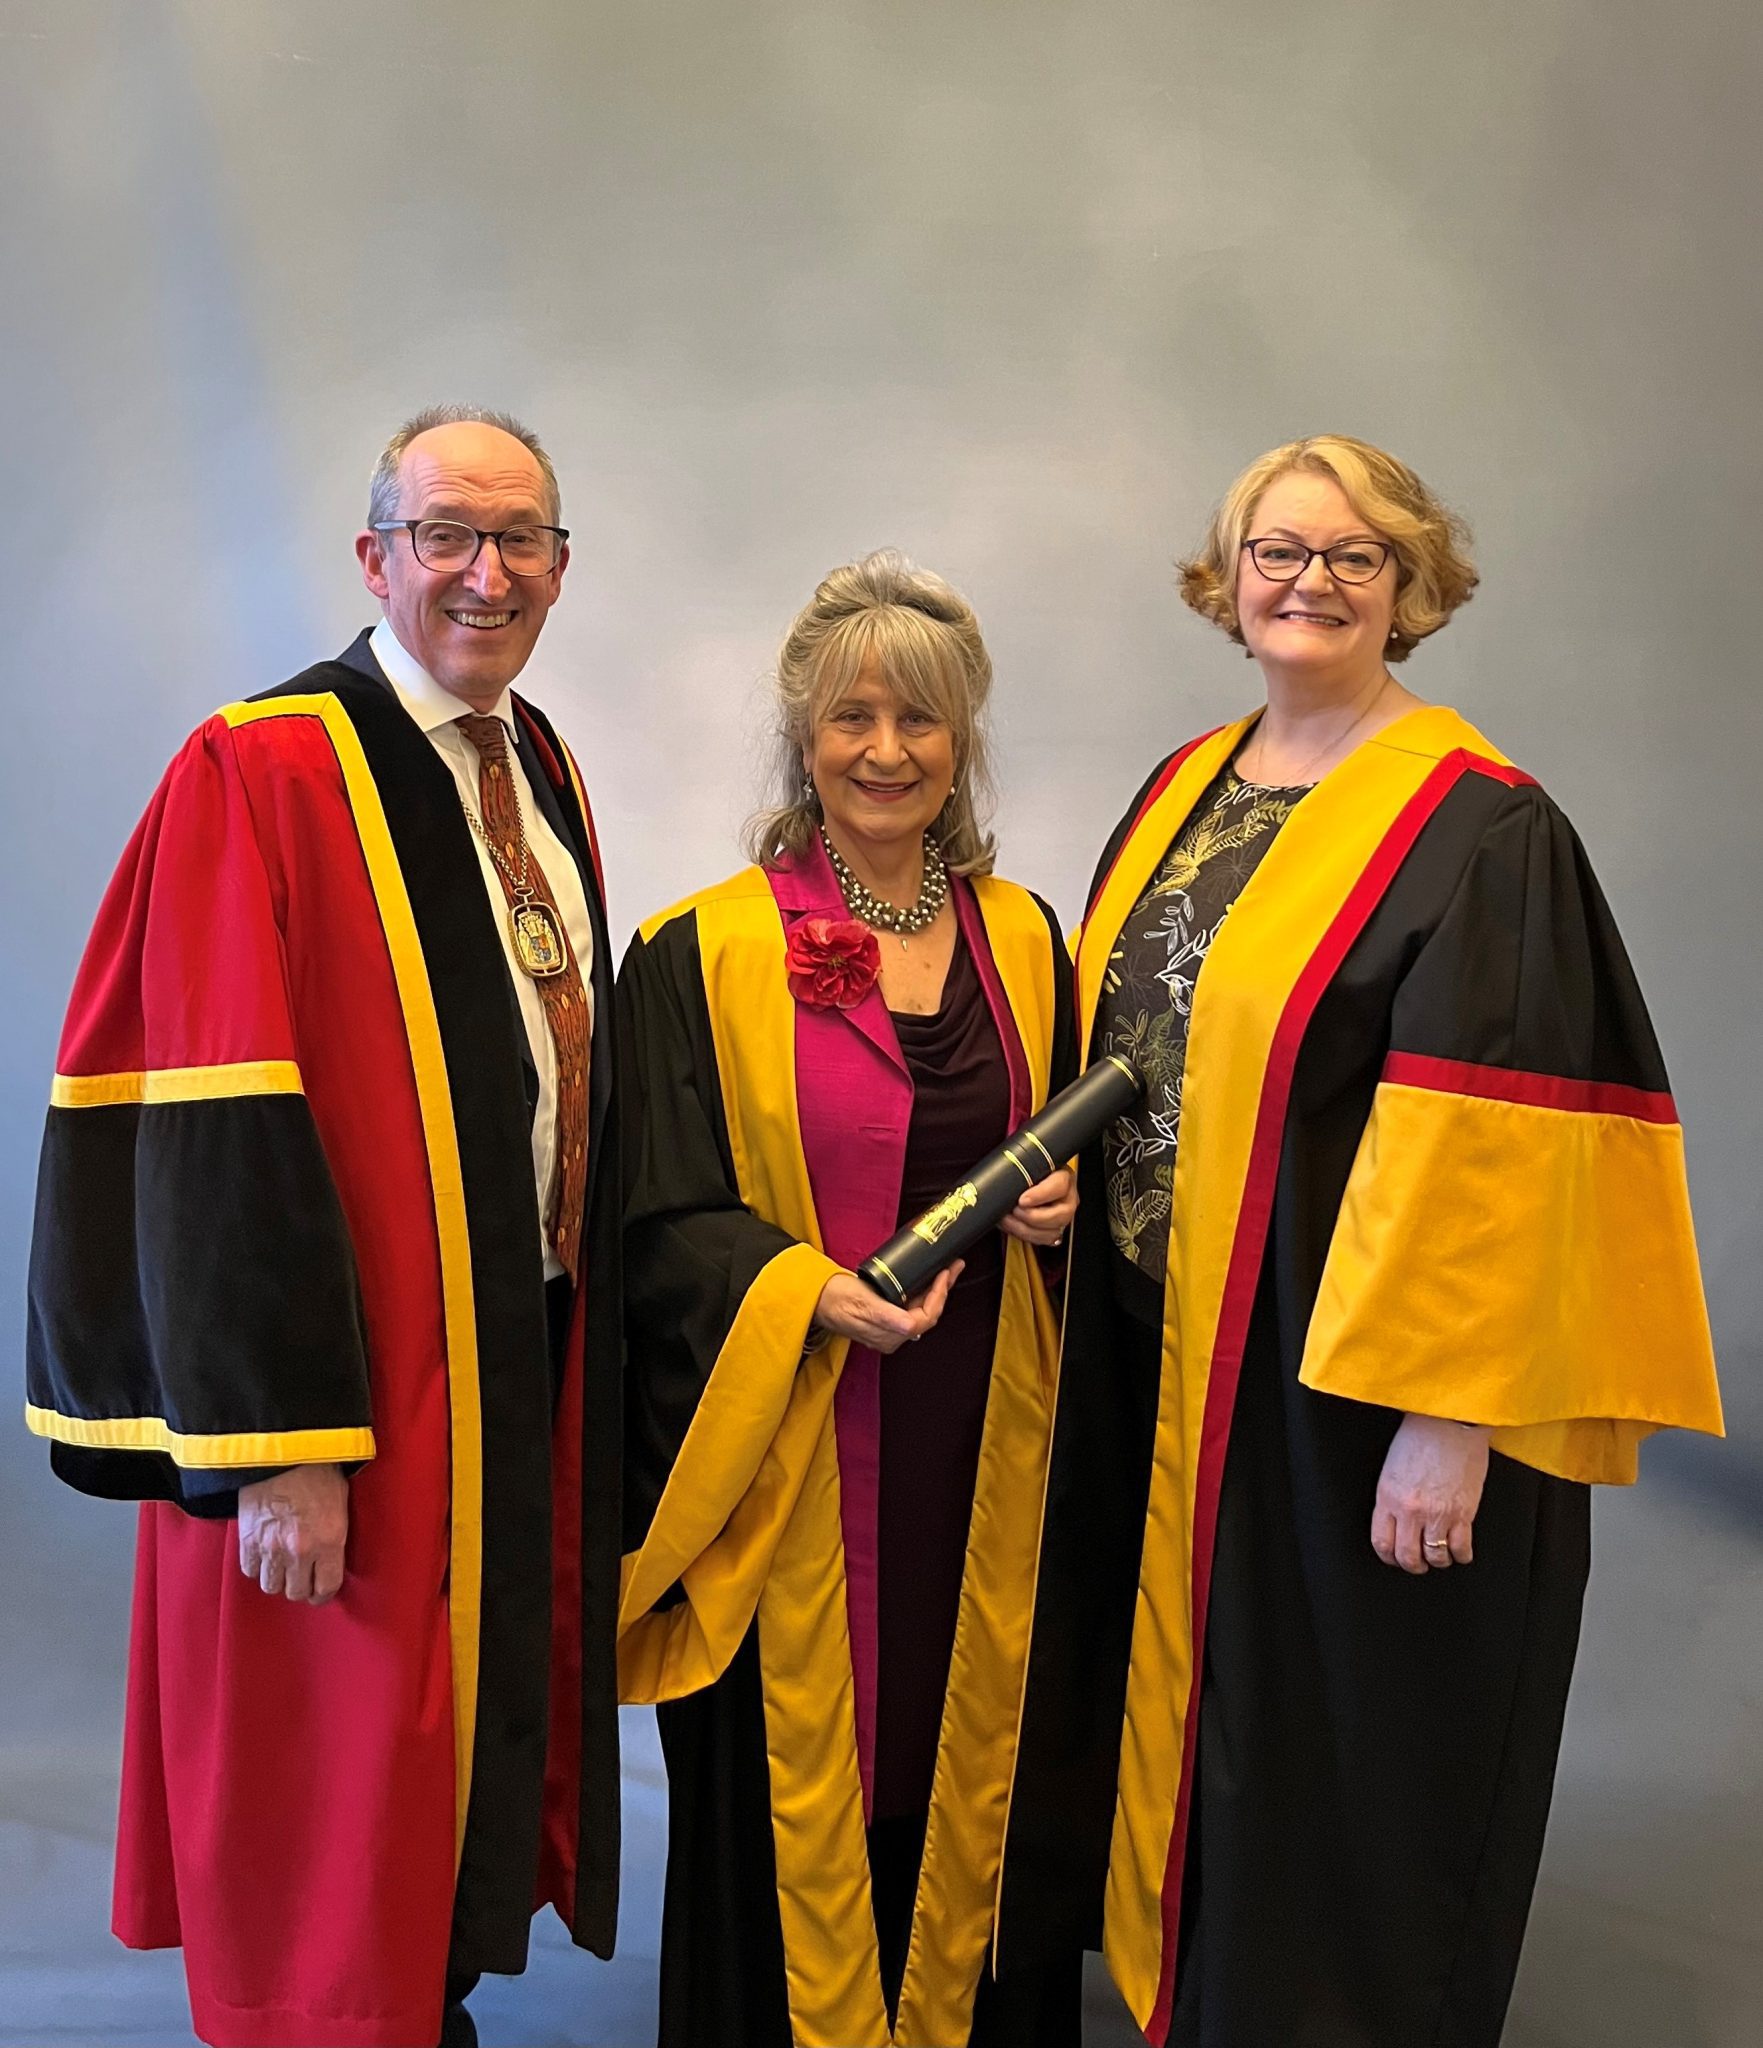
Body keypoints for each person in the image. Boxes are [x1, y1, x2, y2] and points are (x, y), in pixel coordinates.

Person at [996, 436, 1724, 2047]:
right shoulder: (1197, 780)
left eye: (1354, 556)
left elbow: (1506, 1149)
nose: (1310, 582)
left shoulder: (1482, 828)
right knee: (1196, 1725)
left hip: (1354, 1399)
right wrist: (1069, 1177)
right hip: (1178, 1359)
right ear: (1228, 575)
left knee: (1341, 1756)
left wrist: (1448, 1419)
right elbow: (1145, 1039)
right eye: (1279, 550)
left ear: (1412, 587)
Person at [24, 407, 624, 2048]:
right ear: (377, 557)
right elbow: (209, 1125)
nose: (485, 574)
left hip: (507, 1357)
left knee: (439, 1775)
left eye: (520, 541)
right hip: (355, 1392)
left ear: (562, 570)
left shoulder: (533, 757)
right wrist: (280, 1444)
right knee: (340, 1793)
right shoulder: (268, 763)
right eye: (447, 535)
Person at [616, 551, 1083, 2047]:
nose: (887, 753)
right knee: (796, 1788)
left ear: (963, 744)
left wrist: (1064, 1216)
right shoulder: (703, 950)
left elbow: (1083, 1161)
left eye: (922, 723)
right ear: (802, 738)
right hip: (789, 1455)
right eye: (852, 719)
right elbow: (653, 1219)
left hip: (977, 1443)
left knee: (971, 1742)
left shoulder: (1028, 940)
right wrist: (800, 1289)